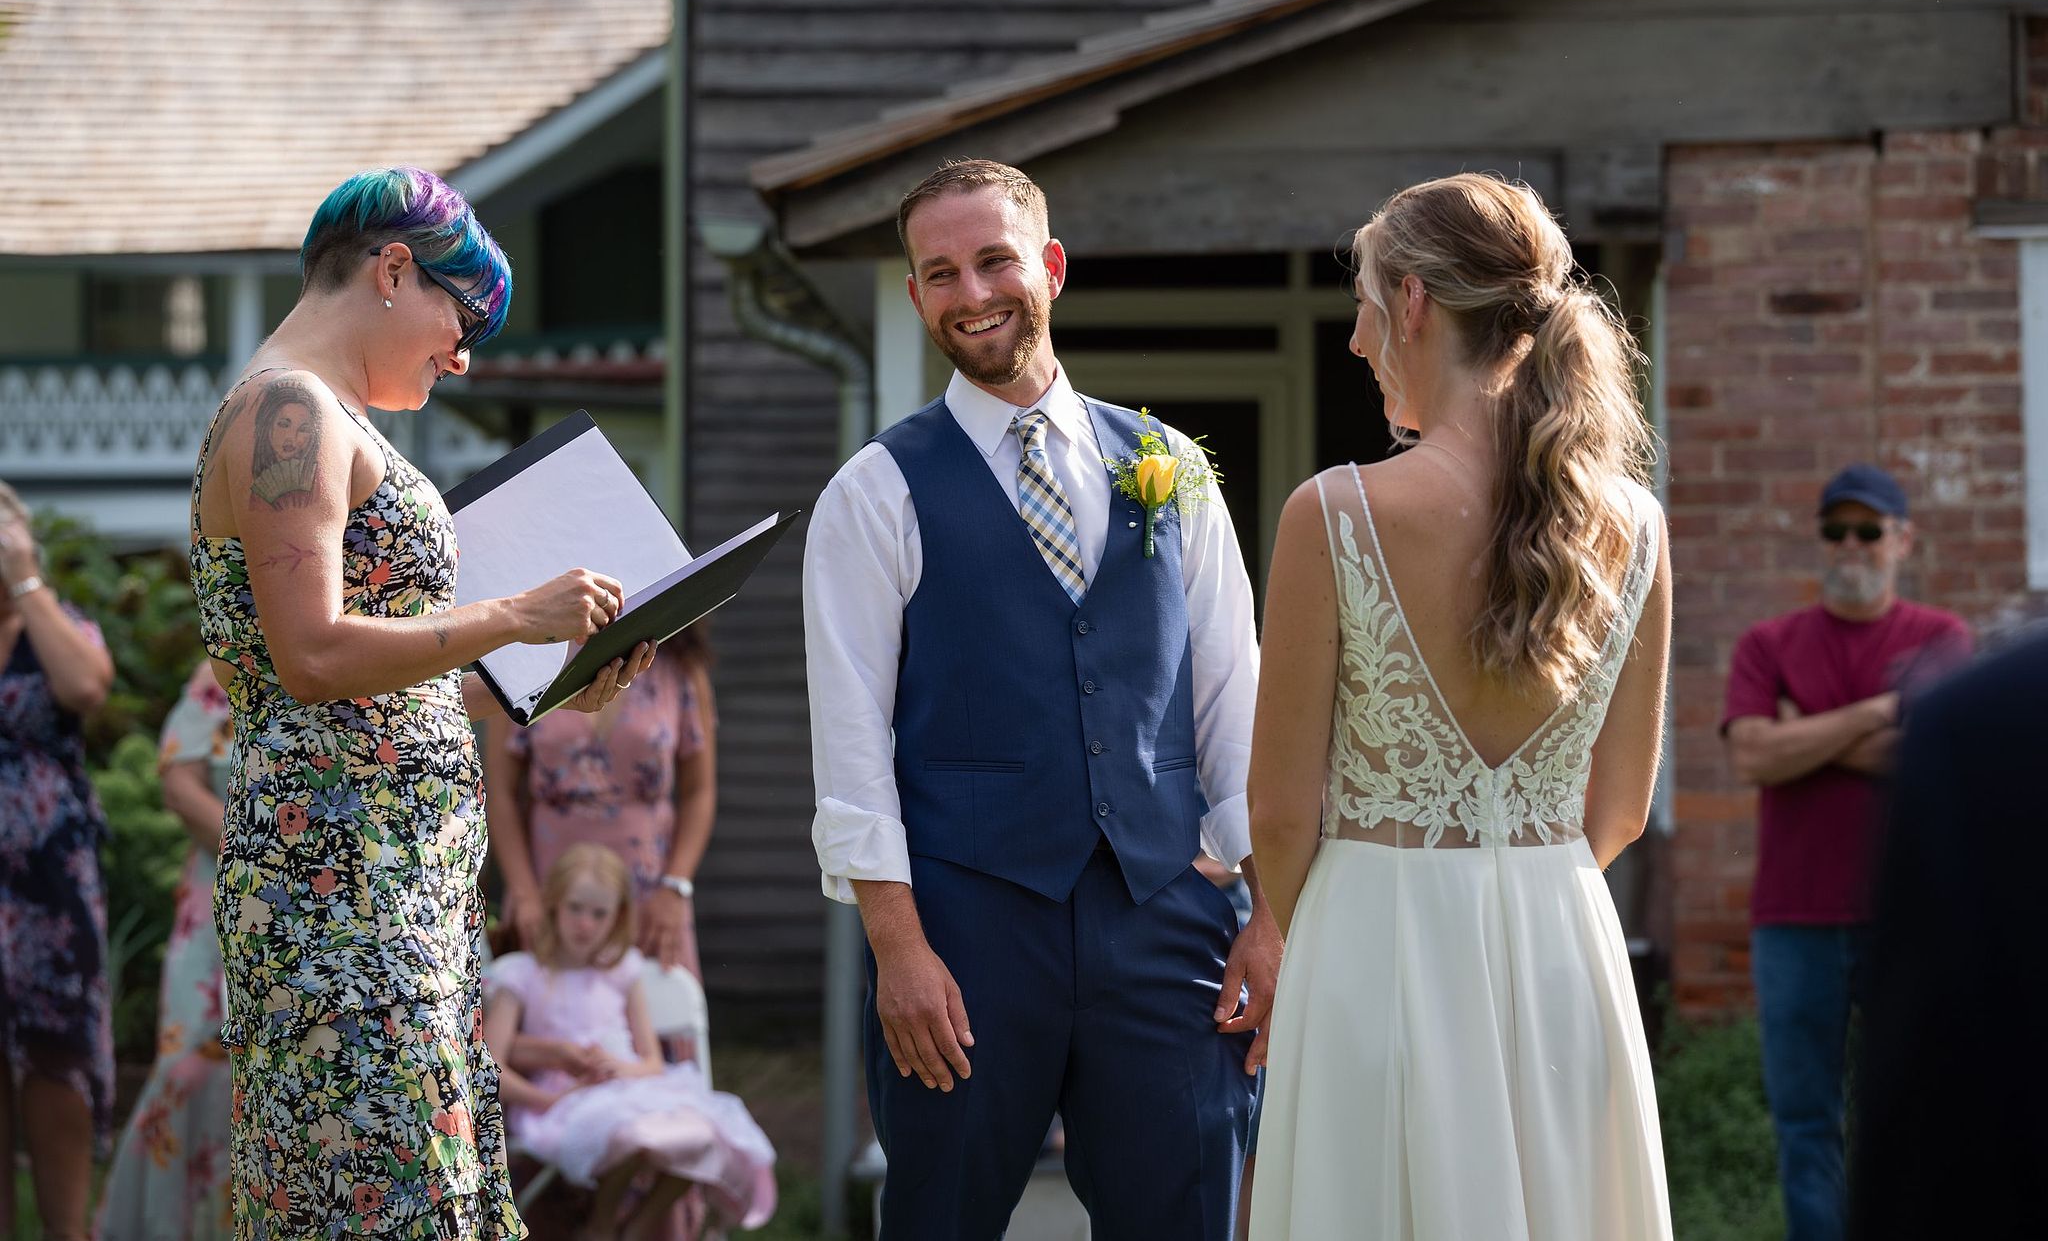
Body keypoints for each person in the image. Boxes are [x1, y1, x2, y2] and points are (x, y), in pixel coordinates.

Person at [803, 158, 1273, 1238]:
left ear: (1050, 267)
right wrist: (899, 948)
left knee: (1188, 1213)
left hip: (1165, 919)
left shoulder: (1172, 468)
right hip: (963, 933)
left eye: (994, 260)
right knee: (941, 1217)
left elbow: (1232, 705)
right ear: (915, 294)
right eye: (941, 273)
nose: (971, 293)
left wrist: (1269, 916)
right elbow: (849, 744)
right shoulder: (874, 492)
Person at [187, 166, 657, 1239]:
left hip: (399, 884)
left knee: (420, 1190)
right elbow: (310, 655)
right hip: (340, 895)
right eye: (463, 317)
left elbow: (379, 685)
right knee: (380, 1195)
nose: (463, 355)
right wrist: (516, 614)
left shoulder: (328, 414)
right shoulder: (287, 412)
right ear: (393, 271)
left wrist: (554, 687)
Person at [1247, 173, 1675, 1240]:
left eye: (1361, 304)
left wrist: (1341, 933)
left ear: (1413, 304)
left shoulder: (1333, 513)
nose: (1355, 340)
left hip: (1370, 945)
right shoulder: (1635, 523)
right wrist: (1514, 882)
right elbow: (1621, 808)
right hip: (1560, 948)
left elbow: (1280, 816)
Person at [1721, 462, 1970, 1241]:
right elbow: (1753, 755)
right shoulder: (1767, 643)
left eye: (1868, 530)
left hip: (1908, 919)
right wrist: (1877, 712)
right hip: (1793, 920)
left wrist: (1804, 732)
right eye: (1836, 530)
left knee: (1919, 1112)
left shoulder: (1941, 638)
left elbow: (1934, 758)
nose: (1850, 545)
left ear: (1903, 539)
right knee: (1806, 1123)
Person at [1846, 629, 2045, 1241]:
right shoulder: (1977, 712)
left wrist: (1820, 730)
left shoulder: (1977, 714)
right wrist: (1879, 713)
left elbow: (1926, 1120)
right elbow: (1755, 753)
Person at [483, 844, 776, 1239]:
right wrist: (547, 1098)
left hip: (626, 1088)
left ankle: (634, 1228)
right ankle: (602, 1226)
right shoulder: (521, 975)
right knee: (629, 1134)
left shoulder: (623, 971)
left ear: (617, 916)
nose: (585, 924)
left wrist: (620, 1068)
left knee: (703, 1135)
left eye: (599, 914)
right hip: (558, 1102)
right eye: (575, 909)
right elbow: (491, 1066)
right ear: (553, 905)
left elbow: (651, 1061)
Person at [0, 480, 116, 1241]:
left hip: (47, 890)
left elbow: (85, 687)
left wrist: (25, 581)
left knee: (56, 1062)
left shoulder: (55, 621)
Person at [486, 626, 717, 978]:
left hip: (651, 898)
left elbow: (698, 791)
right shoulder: (528, 657)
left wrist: (676, 887)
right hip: (550, 894)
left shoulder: (680, 666)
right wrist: (524, 891)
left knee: (656, 1006)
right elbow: (500, 792)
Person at [97, 662, 238, 1239]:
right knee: (188, 1069)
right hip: (217, 897)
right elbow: (180, 786)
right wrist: (266, 857)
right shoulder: (225, 666)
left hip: (330, 907)